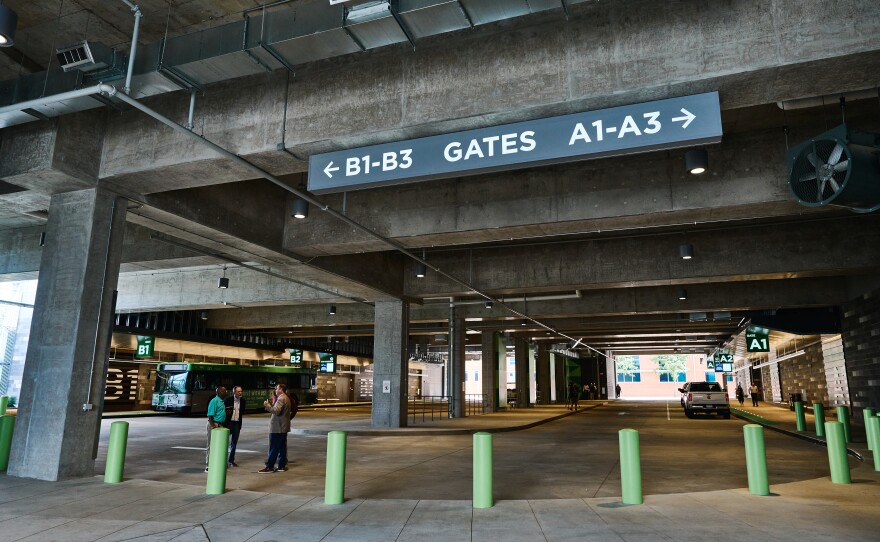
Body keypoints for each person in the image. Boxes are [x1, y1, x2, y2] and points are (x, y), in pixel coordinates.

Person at [259, 383, 291, 473]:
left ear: (281, 389)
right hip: (283, 427)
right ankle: (281, 466)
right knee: (282, 447)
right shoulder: (286, 398)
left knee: (274, 447)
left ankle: (270, 467)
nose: (275, 390)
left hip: (278, 427)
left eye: (276, 388)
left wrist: (267, 405)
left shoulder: (281, 398)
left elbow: (276, 411)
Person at [205, 386, 227, 472]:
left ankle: (216, 464)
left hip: (220, 425)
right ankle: (208, 465)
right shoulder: (214, 401)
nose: (226, 393)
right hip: (214, 424)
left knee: (218, 446)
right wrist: (213, 426)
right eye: (224, 391)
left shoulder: (221, 401)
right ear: (219, 392)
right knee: (211, 445)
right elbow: (210, 415)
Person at [224, 386, 245, 467]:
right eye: (238, 391)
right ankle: (223, 461)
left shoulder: (243, 401)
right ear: (234, 392)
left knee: (234, 443)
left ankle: (231, 460)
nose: (240, 393)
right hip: (229, 423)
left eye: (241, 391)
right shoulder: (228, 400)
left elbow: (242, 412)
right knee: (225, 443)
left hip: (237, 423)